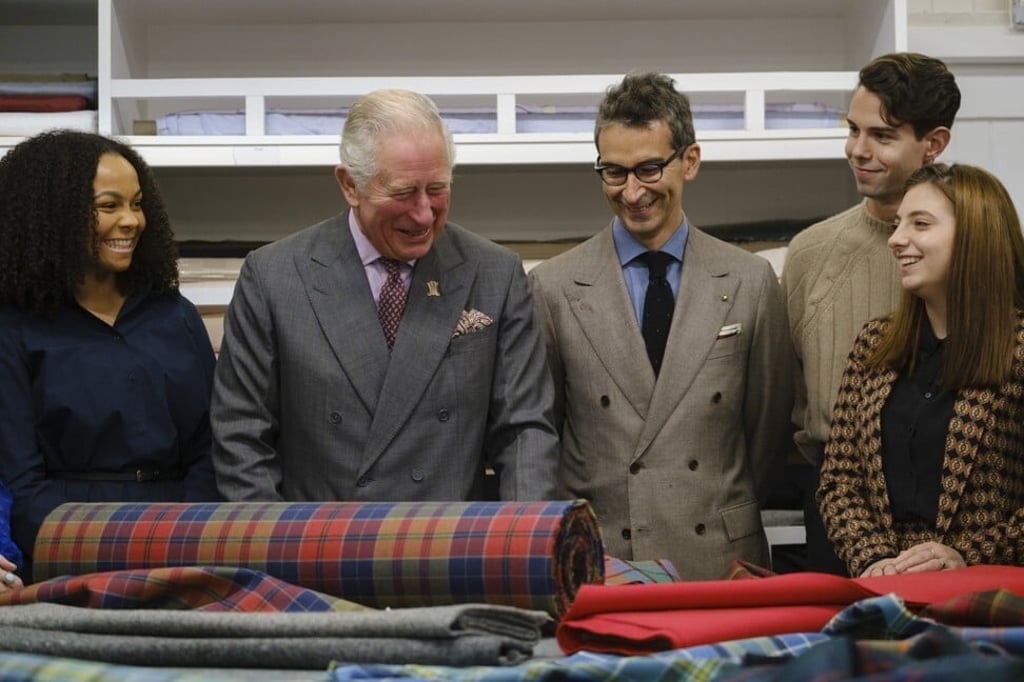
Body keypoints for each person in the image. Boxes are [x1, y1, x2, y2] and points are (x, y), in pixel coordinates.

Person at [210, 89, 559, 502]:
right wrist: (277, 553)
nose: (424, 213)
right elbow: (241, 438)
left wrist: (521, 544)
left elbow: (525, 432)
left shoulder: (495, 274)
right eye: (403, 192)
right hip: (320, 551)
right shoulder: (274, 278)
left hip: (447, 546)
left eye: (438, 188)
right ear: (350, 185)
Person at [527, 72, 794, 580]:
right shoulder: (554, 288)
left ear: (688, 161)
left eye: (649, 169)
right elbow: (546, 437)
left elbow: (768, 433)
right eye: (613, 172)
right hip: (605, 562)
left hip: (721, 560)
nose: (631, 193)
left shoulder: (749, 281)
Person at [0, 130, 220, 583]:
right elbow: (20, 478)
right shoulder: (14, 327)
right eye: (108, 206)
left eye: (137, 204)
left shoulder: (174, 314)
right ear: (54, 215)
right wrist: (106, 546)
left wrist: (191, 531)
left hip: (185, 538)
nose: (131, 222)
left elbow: (209, 445)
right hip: (65, 543)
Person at [780, 53, 960, 574]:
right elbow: (786, 399)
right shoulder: (811, 254)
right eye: (853, 129)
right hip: (835, 510)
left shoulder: (991, 255)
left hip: (955, 528)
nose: (858, 150)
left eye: (882, 135)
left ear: (935, 143)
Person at [818, 163, 1024, 577]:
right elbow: (839, 480)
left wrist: (967, 554)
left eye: (920, 224)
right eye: (897, 225)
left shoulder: (1017, 347)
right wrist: (874, 558)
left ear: (975, 237)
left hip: (991, 595)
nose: (896, 240)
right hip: (884, 590)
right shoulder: (874, 345)